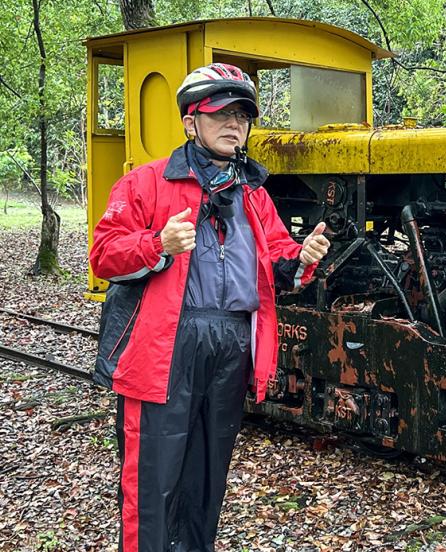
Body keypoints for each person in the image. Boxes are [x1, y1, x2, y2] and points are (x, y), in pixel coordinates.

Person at [90, 63, 330, 551]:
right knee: (152, 481)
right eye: (221, 113)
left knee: (206, 478)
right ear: (190, 121)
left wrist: (301, 258)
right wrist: (157, 243)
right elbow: (104, 254)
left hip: (230, 346)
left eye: (242, 115)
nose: (234, 125)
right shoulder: (145, 183)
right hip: (164, 347)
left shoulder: (252, 194)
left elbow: (277, 261)